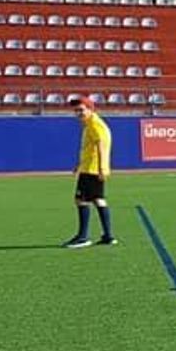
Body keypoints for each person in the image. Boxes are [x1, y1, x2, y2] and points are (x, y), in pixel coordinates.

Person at [63, 95, 116, 248]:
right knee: (98, 199)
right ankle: (108, 236)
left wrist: (101, 168)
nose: (78, 113)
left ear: (90, 109)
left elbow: (100, 146)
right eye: (76, 110)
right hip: (90, 167)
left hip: (91, 169)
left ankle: (83, 237)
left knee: (81, 200)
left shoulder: (94, 124)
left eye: (81, 110)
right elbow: (91, 148)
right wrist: (79, 164)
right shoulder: (91, 123)